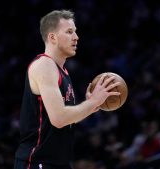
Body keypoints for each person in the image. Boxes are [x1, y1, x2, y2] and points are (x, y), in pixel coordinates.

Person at [14, 9, 121, 169]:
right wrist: (92, 102)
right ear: (52, 37)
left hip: (58, 162)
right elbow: (59, 119)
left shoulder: (62, 70)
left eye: (75, 32)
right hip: (37, 161)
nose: (76, 37)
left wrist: (91, 107)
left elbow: (66, 118)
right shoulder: (45, 65)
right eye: (69, 32)